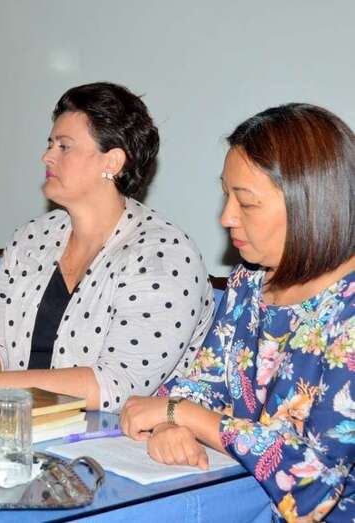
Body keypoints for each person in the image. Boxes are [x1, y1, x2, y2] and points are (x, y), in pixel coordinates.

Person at [0, 82, 215, 413]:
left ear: (113, 162)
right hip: (15, 422)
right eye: (50, 144)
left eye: (64, 146)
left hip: (113, 436)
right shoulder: (32, 238)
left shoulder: (164, 254)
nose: (46, 156)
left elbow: (116, 386)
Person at [120, 103, 355, 522]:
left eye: (245, 202)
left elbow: (314, 482)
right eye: (226, 195)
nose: (226, 217)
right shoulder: (249, 281)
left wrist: (184, 415)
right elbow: (204, 383)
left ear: (310, 204)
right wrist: (170, 425)